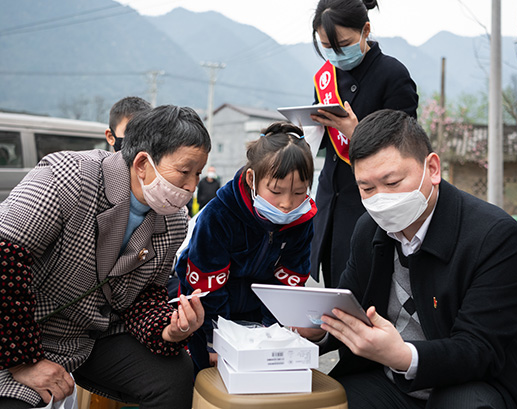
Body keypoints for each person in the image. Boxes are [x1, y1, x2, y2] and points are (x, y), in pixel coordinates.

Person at [302, 109, 517, 408]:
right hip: (389, 382)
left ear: (432, 168)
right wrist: (316, 330)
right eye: (367, 188)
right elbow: (351, 307)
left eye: (392, 182)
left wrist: (404, 356)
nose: (381, 199)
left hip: (472, 384)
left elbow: (480, 349)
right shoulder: (367, 229)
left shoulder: (493, 235)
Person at [0, 105, 210, 409]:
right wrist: (23, 362)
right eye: (184, 171)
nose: (192, 186)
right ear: (142, 163)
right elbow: (5, 254)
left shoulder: (174, 220)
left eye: (198, 174)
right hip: (17, 329)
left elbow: (144, 295)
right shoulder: (67, 178)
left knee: (174, 375)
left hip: (89, 335)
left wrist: (169, 328)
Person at [174, 122, 317, 372]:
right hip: (207, 316)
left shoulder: (302, 220)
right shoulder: (220, 214)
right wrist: (213, 342)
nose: (287, 204)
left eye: (299, 192)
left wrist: (271, 332)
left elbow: (290, 283)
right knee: (202, 379)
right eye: (276, 191)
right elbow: (205, 289)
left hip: (259, 317)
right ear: (252, 179)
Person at [308, 0, 419, 288]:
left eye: (343, 44)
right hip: (330, 202)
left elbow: (405, 149)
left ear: (365, 30)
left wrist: (356, 132)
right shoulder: (326, 78)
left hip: (372, 207)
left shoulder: (392, 75)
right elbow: (324, 144)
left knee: (368, 294)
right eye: (327, 47)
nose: (336, 54)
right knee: (332, 292)